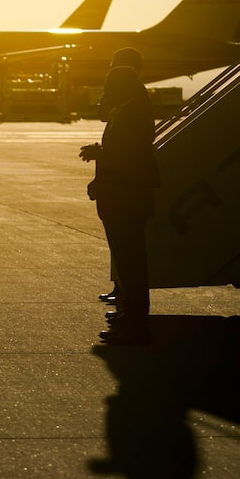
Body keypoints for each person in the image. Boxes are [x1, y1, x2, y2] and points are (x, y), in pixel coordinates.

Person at [80, 66, 160, 345]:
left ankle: (135, 328)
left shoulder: (131, 113)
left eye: (110, 83)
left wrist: (100, 156)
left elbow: (127, 156)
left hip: (125, 199)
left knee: (131, 265)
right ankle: (130, 321)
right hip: (125, 197)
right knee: (129, 265)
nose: (106, 89)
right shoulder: (129, 108)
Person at [98, 47, 144, 307]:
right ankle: (122, 291)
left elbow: (125, 150)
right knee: (124, 250)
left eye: (114, 64)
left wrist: (102, 157)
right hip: (120, 187)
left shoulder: (131, 99)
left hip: (124, 189)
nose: (110, 68)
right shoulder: (129, 97)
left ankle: (129, 303)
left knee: (129, 251)